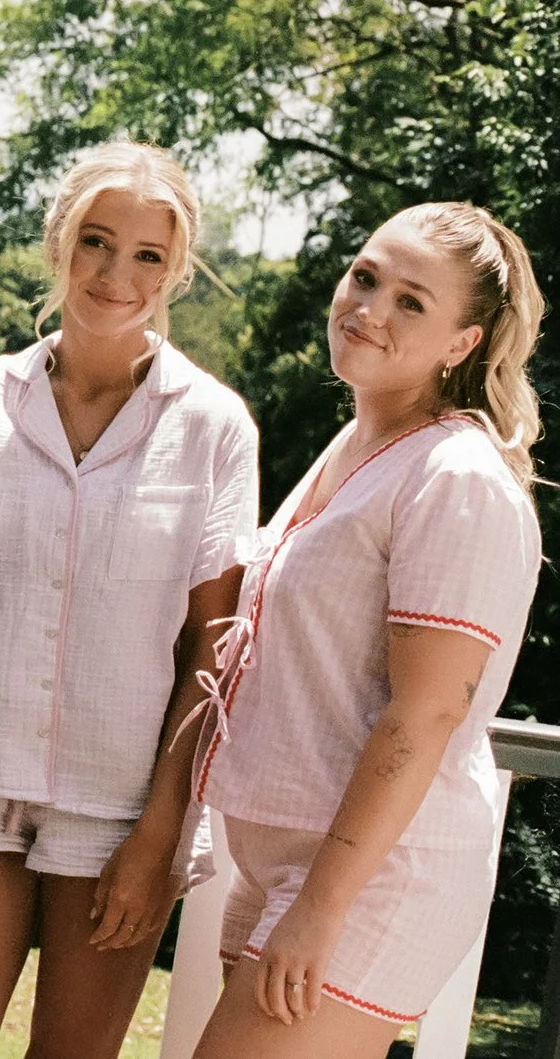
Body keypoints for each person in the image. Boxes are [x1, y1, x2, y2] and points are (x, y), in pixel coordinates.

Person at [0, 144, 258, 1059]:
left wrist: (162, 828)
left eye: (146, 254)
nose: (115, 273)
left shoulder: (213, 426)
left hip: (120, 814)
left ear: (175, 269)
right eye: (96, 241)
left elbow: (213, 649)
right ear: (59, 242)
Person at [187, 204, 542, 1059]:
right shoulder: (356, 441)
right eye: (366, 276)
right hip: (288, 858)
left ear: (463, 342)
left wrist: (321, 906)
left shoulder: (456, 475)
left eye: (412, 302)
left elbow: (424, 716)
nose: (370, 306)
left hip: (371, 876)